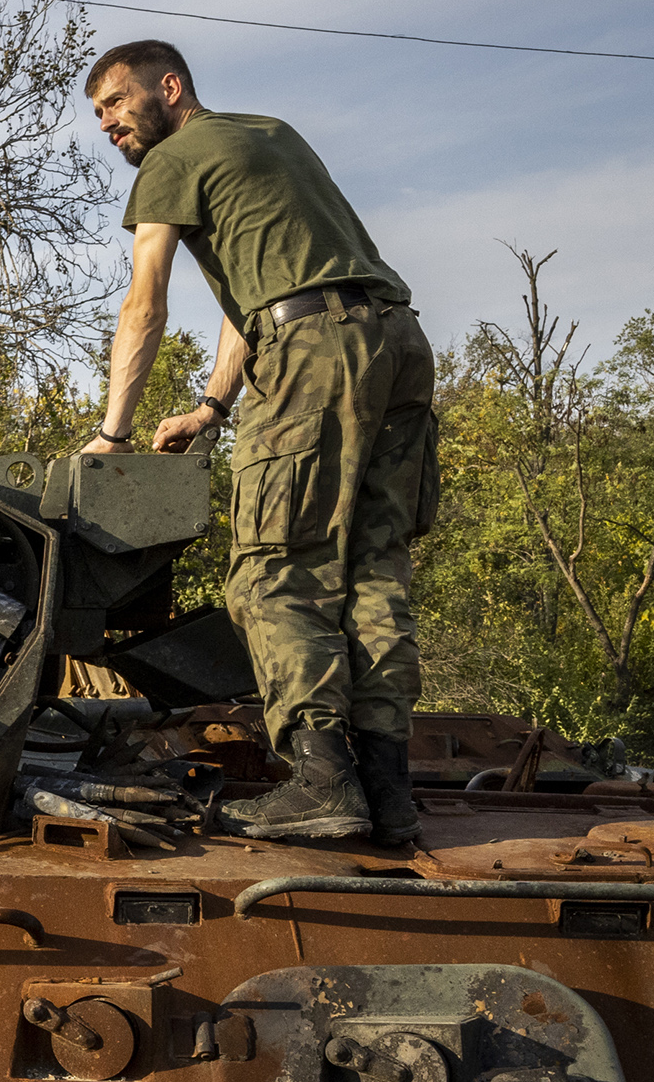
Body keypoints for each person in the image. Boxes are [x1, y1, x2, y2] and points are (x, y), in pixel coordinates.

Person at [82, 41, 437, 846]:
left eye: (115, 100)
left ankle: (320, 783)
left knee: (275, 568)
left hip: (318, 354)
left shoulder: (172, 160)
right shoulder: (268, 136)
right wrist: (212, 404)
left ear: (169, 88)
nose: (105, 120)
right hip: (397, 343)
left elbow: (146, 299)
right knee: (371, 566)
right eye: (97, 111)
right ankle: (386, 793)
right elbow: (269, 293)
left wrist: (114, 432)